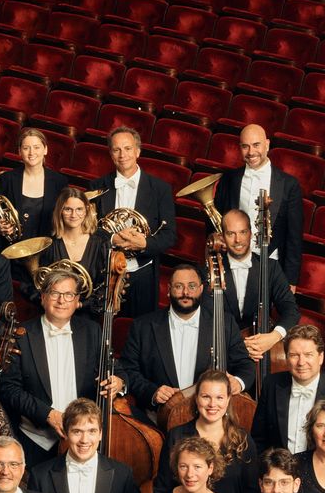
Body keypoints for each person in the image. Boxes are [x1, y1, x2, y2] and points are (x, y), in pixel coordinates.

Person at [1, 271, 116, 470]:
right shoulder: (21, 334)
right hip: (35, 441)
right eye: (55, 294)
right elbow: (9, 389)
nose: (62, 300)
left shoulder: (92, 331)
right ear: (43, 298)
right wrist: (47, 414)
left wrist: (119, 381)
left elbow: (116, 368)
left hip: (82, 440)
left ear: (77, 300)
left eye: (69, 294)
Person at [119, 266, 251, 423]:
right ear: (168, 289)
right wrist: (152, 393)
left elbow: (245, 365)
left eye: (192, 286)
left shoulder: (224, 323)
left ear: (201, 289)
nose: (186, 293)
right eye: (179, 286)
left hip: (211, 419)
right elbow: (129, 370)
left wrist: (239, 382)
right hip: (160, 420)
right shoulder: (143, 326)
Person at [91, 127, 181, 314]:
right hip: (105, 271)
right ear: (111, 154)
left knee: (140, 332)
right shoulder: (97, 186)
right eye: (116, 150)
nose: (122, 155)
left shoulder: (160, 189)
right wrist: (112, 239)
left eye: (128, 148)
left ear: (138, 151)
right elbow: (89, 229)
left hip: (143, 274)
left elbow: (170, 235)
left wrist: (145, 243)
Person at [210, 209, 300, 385]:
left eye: (243, 232)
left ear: (251, 233)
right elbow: (206, 318)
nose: (238, 240)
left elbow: (291, 310)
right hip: (224, 351)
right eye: (231, 233)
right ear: (222, 236)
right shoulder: (210, 270)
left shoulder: (270, 267)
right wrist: (240, 345)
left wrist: (273, 337)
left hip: (262, 348)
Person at [250, 324, 325, 456]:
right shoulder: (271, 384)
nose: (301, 362)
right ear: (286, 358)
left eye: (308, 355)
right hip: (279, 472)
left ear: (321, 357)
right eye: (294, 355)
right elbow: (258, 440)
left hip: (323, 472)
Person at [216, 125, 306, 284]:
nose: (251, 152)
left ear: (267, 144)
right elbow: (216, 222)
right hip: (232, 262)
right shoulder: (229, 180)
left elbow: (294, 238)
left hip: (269, 265)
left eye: (256, 145)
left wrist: (291, 282)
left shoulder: (288, 185)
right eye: (245, 146)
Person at [156, 369, 258, 493]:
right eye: (206, 397)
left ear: (228, 400)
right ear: (196, 398)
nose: (212, 404)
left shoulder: (242, 439)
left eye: (219, 397)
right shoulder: (176, 436)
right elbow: (162, 489)